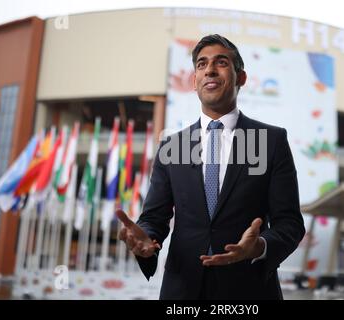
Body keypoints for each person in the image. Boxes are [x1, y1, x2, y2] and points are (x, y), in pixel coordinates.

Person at [117, 34, 305, 300]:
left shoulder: (270, 141)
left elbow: (290, 224)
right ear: (194, 81)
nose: (210, 70)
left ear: (241, 78)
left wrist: (258, 247)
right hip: (182, 292)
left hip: (249, 291)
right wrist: (145, 239)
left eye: (221, 62)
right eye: (202, 64)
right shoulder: (172, 145)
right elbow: (154, 218)